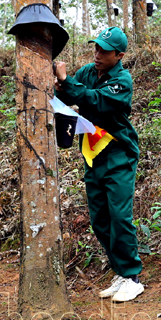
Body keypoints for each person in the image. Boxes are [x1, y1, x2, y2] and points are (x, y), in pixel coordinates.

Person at [54, 26, 144, 303]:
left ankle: (132, 277)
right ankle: (120, 271)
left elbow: (97, 100)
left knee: (119, 216)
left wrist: (68, 82)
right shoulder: (88, 73)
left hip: (119, 154)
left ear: (119, 55)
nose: (97, 55)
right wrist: (59, 84)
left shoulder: (122, 80)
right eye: (96, 48)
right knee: (100, 220)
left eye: (104, 51)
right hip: (93, 155)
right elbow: (72, 95)